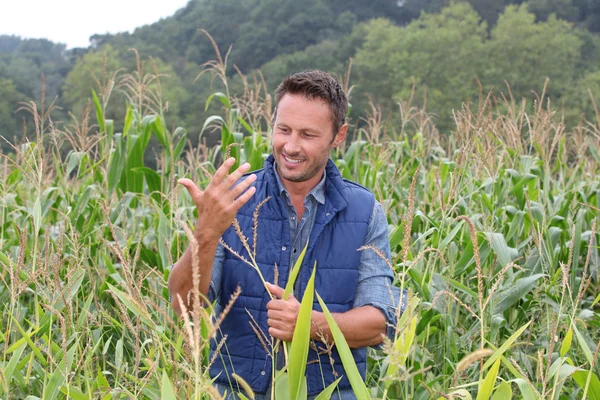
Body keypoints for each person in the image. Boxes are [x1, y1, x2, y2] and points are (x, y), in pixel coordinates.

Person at [168, 70, 402, 399]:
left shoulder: (365, 212)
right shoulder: (231, 203)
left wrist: (309, 325)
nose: (291, 146)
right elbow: (186, 308)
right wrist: (205, 233)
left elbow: (380, 323)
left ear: (339, 135)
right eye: (284, 130)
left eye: (308, 134)